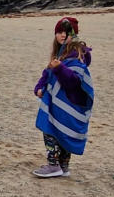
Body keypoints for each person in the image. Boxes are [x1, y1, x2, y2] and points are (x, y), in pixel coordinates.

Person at [33, 17, 93, 178]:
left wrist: (60, 68)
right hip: (56, 103)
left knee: (54, 130)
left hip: (70, 103)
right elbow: (47, 74)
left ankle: (56, 165)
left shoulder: (78, 58)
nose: (62, 35)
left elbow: (73, 82)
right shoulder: (59, 56)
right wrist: (39, 88)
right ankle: (61, 166)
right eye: (59, 32)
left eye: (66, 33)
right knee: (56, 130)